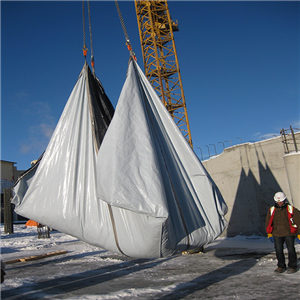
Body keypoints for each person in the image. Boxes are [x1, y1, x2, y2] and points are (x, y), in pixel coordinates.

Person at [266, 191, 300, 274]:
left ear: (284, 200)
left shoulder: (292, 209)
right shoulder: (272, 210)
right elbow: (268, 222)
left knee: (291, 250)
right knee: (278, 250)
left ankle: (292, 266)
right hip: (277, 233)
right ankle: (281, 266)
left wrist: (299, 234)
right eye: (278, 201)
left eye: (281, 201)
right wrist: (269, 233)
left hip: (289, 233)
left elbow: (298, 222)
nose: (279, 203)